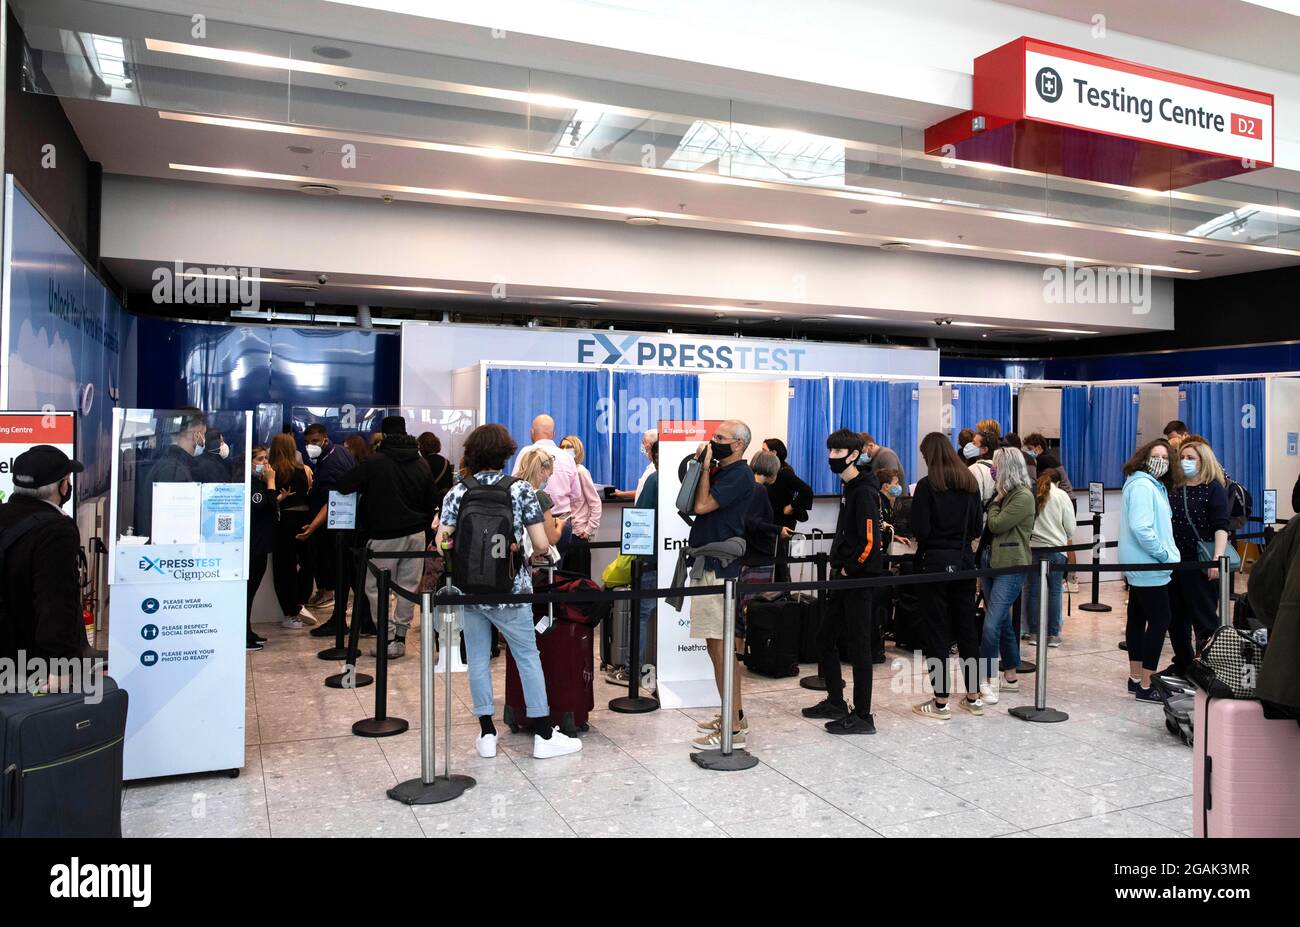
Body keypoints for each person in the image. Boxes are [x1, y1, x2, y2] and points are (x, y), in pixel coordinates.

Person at [438, 423, 583, 760]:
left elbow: (442, 541)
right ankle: (545, 735)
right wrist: (524, 550)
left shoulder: (457, 492)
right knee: (527, 658)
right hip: (512, 589)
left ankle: (487, 733)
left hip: (470, 589)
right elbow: (542, 543)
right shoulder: (520, 491)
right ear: (505, 454)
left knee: (476, 658)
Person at [800, 428, 883, 735]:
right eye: (830, 451)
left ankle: (863, 715)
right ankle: (836, 700)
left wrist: (850, 568)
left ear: (852, 455)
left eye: (837, 453)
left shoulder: (863, 491)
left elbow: (869, 540)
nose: (831, 457)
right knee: (825, 636)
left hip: (859, 579)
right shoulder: (850, 488)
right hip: (845, 576)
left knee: (860, 646)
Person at [335, 416, 437, 659]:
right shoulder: (421, 463)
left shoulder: (374, 461)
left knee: (376, 589)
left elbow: (344, 484)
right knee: (407, 587)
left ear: (384, 434)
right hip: (415, 537)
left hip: (382, 538)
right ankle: (401, 637)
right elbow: (431, 501)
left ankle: (387, 636)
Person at [685, 420, 756, 749]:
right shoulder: (719, 470)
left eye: (721, 438)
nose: (714, 442)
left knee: (722, 649)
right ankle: (733, 714)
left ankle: (733, 728)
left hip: (719, 570)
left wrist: (703, 472)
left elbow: (702, 506)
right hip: (707, 567)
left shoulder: (740, 474)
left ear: (739, 445)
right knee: (717, 649)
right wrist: (700, 465)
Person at [909, 433, 984, 720]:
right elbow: (977, 526)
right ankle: (974, 697)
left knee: (936, 631)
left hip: (934, 563)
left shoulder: (928, 486)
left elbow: (921, 529)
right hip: (965, 562)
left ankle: (941, 701)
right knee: (967, 628)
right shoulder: (970, 484)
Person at [0, 446, 89, 669]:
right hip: (26, 662)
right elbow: (55, 603)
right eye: (67, 480)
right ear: (61, 486)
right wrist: (62, 666)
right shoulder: (56, 529)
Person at [1119, 438, 1182, 702]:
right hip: (1150, 564)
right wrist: (1164, 554)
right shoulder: (1144, 486)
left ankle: (1136, 678)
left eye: (1166, 458)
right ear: (1145, 458)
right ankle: (1146, 684)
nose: (1161, 462)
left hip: (1141, 564)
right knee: (1159, 620)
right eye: (1157, 456)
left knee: (1137, 617)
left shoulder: (1144, 484)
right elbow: (1142, 527)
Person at [979, 446, 1035, 704]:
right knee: (1000, 622)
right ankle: (1011, 676)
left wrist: (994, 505)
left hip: (1011, 566)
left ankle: (986, 680)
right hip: (990, 562)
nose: (993, 469)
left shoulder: (1022, 496)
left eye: (997, 465)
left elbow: (996, 524)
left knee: (991, 624)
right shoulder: (1002, 494)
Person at [1168, 439, 1231, 667]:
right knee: (1175, 618)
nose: (1185, 462)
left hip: (1200, 562)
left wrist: (1216, 559)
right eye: (1182, 458)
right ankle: (1184, 663)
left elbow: (1221, 526)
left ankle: (1208, 665)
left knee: (1204, 617)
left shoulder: (1213, 488)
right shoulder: (1174, 486)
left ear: (1203, 461)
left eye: (1190, 458)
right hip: (1174, 561)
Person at [300, 423, 357, 610]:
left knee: (336, 566)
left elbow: (332, 500)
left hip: (335, 524)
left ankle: (336, 606)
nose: (310, 446)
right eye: (307, 442)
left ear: (324, 439)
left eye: (315, 441)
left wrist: (312, 526)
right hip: (342, 521)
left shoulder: (332, 463)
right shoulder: (339, 452)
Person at [1022, 467, 1075, 647]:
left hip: (1032, 550)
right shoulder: (1061, 495)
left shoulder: (1030, 493)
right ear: (1058, 482)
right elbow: (1070, 528)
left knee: (1033, 592)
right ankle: (1052, 635)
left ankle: (1034, 633)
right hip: (1056, 550)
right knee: (1054, 592)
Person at [135, 407, 206, 537]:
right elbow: (174, 524)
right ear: (195, 433)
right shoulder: (173, 470)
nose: (203, 440)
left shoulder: (171, 464)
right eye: (203, 434)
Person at [513, 414, 579, 553]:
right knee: (556, 569)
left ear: (532, 432)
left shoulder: (527, 452)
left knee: (532, 568)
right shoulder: (568, 457)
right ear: (553, 434)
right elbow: (576, 495)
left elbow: (515, 486)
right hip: (561, 520)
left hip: (531, 523)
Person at [269, 433, 316, 629]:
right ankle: (301, 601)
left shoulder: (272, 471)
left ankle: (291, 610)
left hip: (284, 520)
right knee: (307, 563)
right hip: (305, 520)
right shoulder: (303, 470)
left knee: (283, 567)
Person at [761, 438, 812, 583]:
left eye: (764, 451)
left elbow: (806, 490)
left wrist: (792, 506)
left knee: (780, 560)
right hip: (773, 521)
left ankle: (784, 593)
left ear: (774, 452)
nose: (761, 454)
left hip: (782, 522)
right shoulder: (772, 471)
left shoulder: (784, 472)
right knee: (775, 559)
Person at [558, 434, 603, 576]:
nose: (565, 450)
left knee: (578, 579)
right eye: (562, 447)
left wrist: (589, 529)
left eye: (569, 447)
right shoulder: (563, 472)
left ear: (577, 450)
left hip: (578, 533)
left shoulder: (581, 472)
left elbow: (595, 502)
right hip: (564, 532)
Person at [245, 445, 275, 651]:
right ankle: (244, 635)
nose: (265, 463)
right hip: (253, 547)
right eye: (260, 459)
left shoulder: (259, 484)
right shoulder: (254, 486)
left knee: (252, 592)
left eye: (266, 459)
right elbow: (264, 506)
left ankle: (248, 631)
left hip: (261, 545)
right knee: (247, 593)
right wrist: (271, 482)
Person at [516, 448, 566, 548]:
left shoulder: (514, 490)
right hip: (536, 557)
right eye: (549, 474)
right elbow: (552, 539)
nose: (548, 479)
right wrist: (560, 525)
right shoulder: (540, 496)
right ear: (542, 470)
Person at [417, 432, 455, 522]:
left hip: (425, 508)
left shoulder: (420, 463)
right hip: (441, 507)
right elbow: (450, 485)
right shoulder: (446, 462)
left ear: (422, 447)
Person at [611, 429, 657, 502]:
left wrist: (622, 494)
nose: (643, 446)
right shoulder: (651, 466)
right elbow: (641, 492)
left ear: (651, 445)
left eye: (644, 442)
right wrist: (622, 494)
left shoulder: (656, 469)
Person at [968, 431, 997, 504]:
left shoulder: (974, 469)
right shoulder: (1000, 466)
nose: (970, 445)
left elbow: (974, 501)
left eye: (974, 443)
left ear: (984, 450)